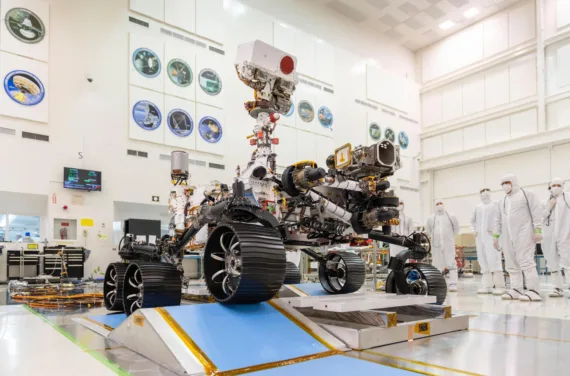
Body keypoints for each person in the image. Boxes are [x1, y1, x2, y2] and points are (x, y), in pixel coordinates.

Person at [493, 174, 543, 301]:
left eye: (507, 182)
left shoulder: (526, 194)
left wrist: (538, 229)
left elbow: (536, 211)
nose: (505, 185)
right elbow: (497, 219)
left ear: (514, 182)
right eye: (502, 183)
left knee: (526, 261)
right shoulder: (503, 200)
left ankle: (534, 290)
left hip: (524, 233)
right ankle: (516, 289)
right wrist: (496, 236)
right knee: (511, 263)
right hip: (507, 236)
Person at [471, 188, 506, 295]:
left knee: (494, 259)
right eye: (482, 192)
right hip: (480, 237)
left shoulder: (496, 204)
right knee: (483, 260)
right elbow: (472, 221)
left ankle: (500, 286)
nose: (484, 194)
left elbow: (501, 219)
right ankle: (487, 286)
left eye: (487, 191)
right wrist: (474, 231)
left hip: (492, 237)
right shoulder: (478, 207)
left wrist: (497, 232)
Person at [541, 178, 570, 298]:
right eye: (553, 185)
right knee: (552, 262)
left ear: (563, 186)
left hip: (565, 234)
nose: (556, 187)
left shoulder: (567, 198)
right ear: (550, 187)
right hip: (549, 235)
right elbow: (540, 217)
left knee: (568, 262)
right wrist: (549, 207)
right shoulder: (545, 201)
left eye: (559, 185)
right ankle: (557, 288)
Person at [426, 200, 460, 292]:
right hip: (436, 245)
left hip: (448, 243)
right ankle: (438, 283)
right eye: (437, 204)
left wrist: (450, 238)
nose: (439, 205)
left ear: (444, 205)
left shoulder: (451, 216)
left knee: (451, 262)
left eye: (440, 203)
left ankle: (453, 283)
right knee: (437, 264)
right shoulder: (431, 218)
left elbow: (456, 228)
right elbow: (428, 230)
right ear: (435, 206)